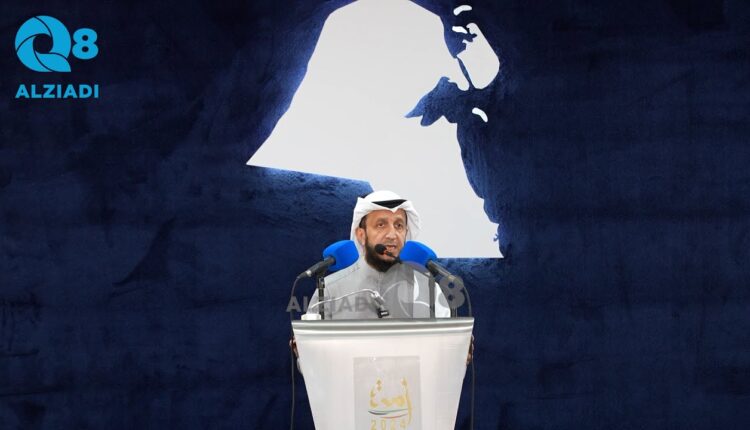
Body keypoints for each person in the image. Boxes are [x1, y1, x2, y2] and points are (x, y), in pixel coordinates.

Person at [305, 190, 451, 319]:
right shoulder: (329, 289)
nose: (392, 235)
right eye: (381, 225)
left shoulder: (429, 289)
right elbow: (310, 340)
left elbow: (447, 340)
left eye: (399, 226)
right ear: (361, 235)